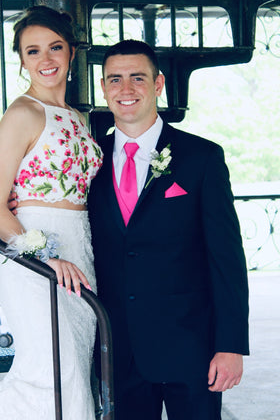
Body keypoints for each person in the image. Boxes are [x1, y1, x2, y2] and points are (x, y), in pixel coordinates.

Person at [87, 39, 249, 420]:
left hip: (192, 348)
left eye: (137, 78)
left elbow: (226, 259)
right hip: (118, 349)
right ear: (104, 87)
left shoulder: (202, 157)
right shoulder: (89, 160)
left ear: (158, 84)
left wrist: (231, 346)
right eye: (115, 79)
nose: (126, 90)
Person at [0, 5, 103, 420]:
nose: (45, 60)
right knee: (49, 374)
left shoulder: (80, 118)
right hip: (35, 257)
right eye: (32, 51)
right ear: (22, 59)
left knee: (75, 374)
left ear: (72, 53)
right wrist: (45, 256)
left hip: (80, 254)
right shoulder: (21, 114)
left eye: (55, 47)